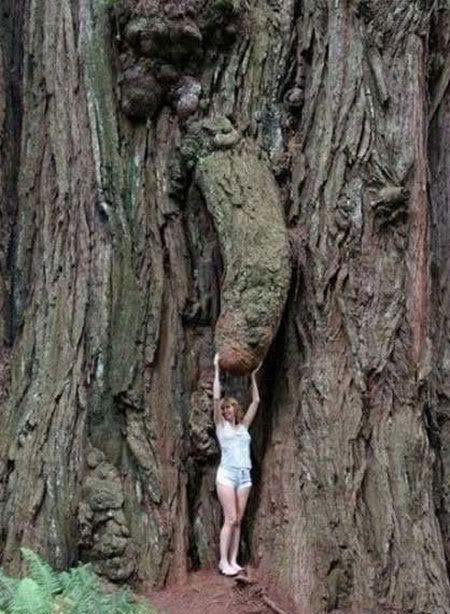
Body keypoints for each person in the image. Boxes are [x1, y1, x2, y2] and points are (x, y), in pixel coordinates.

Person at [213, 352, 260, 576]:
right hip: (227, 475)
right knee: (230, 518)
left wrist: (253, 377)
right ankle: (223, 562)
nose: (226, 410)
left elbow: (256, 402)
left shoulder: (243, 427)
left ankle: (233, 560)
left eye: (229, 407)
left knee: (238, 520)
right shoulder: (221, 427)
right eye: (224, 409)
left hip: (244, 476)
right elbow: (215, 399)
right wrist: (216, 368)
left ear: (235, 408)